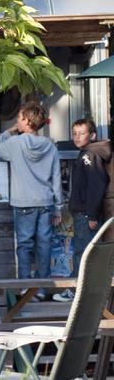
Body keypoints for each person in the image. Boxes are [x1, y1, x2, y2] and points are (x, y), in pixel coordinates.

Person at [0, 102, 62, 291]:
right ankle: (43, 288)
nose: (16, 121)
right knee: (44, 245)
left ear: (27, 121)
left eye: (19, 118)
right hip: (46, 203)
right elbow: (56, 178)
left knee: (24, 245)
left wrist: (11, 131)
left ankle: (25, 287)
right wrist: (58, 207)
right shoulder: (50, 146)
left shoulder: (15, 143)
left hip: (23, 203)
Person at [57, 118, 113, 301]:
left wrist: (91, 214)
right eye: (74, 133)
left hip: (86, 213)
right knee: (87, 252)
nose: (77, 137)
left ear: (93, 135)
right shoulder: (87, 153)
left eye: (82, 133)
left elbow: (96, 185)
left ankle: (75, 291)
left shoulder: (90, 155)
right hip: (84, 212)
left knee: (83, 252)